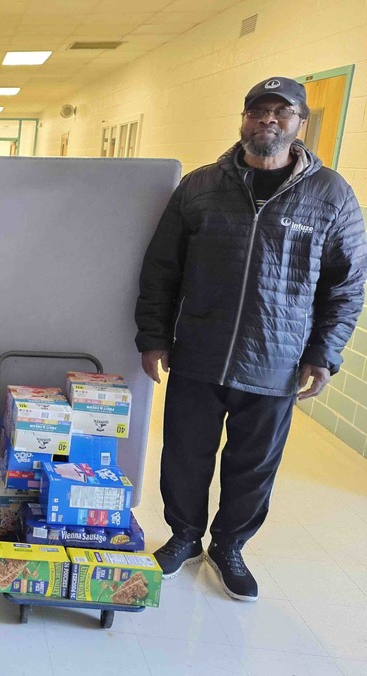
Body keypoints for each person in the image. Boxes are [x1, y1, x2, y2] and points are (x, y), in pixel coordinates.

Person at [135, 76, 367, 601]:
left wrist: (324, 355)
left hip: (276, 361)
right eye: (258, 110)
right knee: (185, 455)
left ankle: (230, 547)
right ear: (243, 119)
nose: (269, 120)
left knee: (253, 465)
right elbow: (161, 270)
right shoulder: (199, 186)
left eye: (281, 112)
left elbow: (346, 285)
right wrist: (153, 336)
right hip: (199, 351)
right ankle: (184, 537)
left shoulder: (331, 194)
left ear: (299, 124)